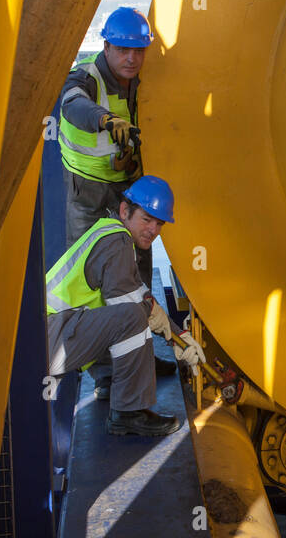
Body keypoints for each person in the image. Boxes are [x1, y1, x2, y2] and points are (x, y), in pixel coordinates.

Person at [44, 176, 205, 436]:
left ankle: (121, 395)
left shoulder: (113, 235)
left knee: (135, 310)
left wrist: (180, 335)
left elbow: (139, 294)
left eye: (159, 223)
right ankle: (129, 412)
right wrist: (170, 336)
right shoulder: (116, 242)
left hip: (57, 333)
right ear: (124, 211)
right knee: (132, 316)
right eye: (146, 219)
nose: (152, 230)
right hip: (51, 339)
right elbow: (132, 309)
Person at [59, 6, 154, 290]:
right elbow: (72, 103)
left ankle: (141, 314)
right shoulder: (87, 76)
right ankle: (89, 322)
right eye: (124, 49)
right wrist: (105, 119)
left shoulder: (147, 83)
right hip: (87, 189)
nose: (132, 58)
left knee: (137, 255)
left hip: (128, 185)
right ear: (106, 46)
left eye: (139, 51)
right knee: (85, 259)